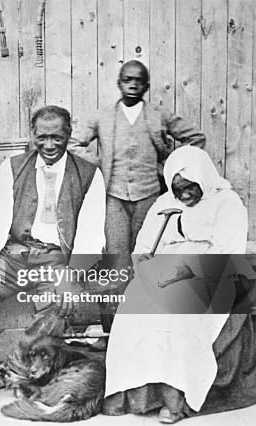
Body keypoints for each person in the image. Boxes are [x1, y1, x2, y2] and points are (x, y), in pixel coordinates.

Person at [0, 105, 106, 403]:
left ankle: (16, 370)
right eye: (42, 137)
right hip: (14, 256)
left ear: (69, 135)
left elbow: (91, 232)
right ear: (32, 135)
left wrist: (73, 277)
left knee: (60, 303)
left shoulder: (89, 174)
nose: (49, 145)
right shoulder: (12, 167)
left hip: (58, 260)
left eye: (57, 137)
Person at [104, 146, 256, 423]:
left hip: (211, 275)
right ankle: (134, 394)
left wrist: (182, 271)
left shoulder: (227, 203)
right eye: (178, 190)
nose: (185, 195)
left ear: (204, 179)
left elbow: (225, 253)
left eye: (190, 187)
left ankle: (176, 400)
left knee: (177, 316)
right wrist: (147, 269)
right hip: (163, 274)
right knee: (133, 307)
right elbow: (143, 248)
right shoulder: (163, 204)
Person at [71, 60, 206, 256]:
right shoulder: (103, 116)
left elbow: (196, 138)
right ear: (119, 83)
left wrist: (173, 167)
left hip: (149, 194)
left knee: (146, 246)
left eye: (139, 81)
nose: (133, 85)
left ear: (147, 86)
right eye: (127, 80)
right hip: (113, 195)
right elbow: (72, 142)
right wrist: (99, 163)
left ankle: (142, 286)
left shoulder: (158, 115)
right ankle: (118, 286)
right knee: (116, 250)